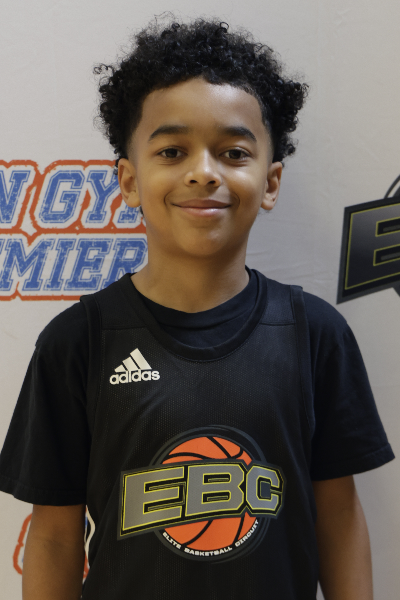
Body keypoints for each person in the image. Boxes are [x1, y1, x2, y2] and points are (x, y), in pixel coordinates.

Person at [0, 18, 394, 600]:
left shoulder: (315, 335)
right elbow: (55, 537)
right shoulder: (78, 342)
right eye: (172, 150)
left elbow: (337, 515)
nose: (203, 172)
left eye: (233, 152)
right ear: (129, 181)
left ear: (270, 182)